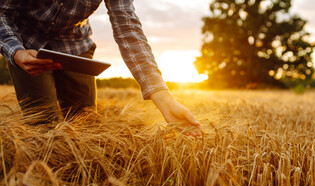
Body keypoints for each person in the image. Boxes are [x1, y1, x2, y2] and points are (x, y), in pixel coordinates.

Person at [0, 0, 202, 136]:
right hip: (26, 44)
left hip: (75, 45)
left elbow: (128, 30)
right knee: (42, 127)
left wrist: (163, 97)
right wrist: (16, 51)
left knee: (85, 129)